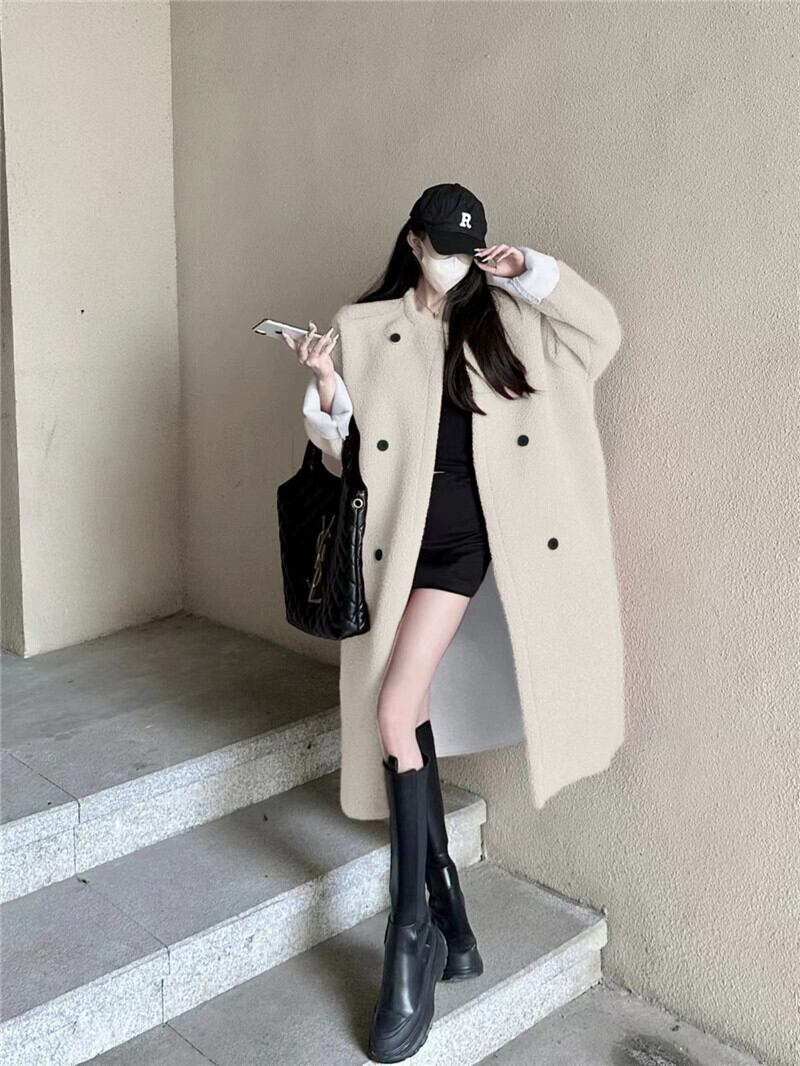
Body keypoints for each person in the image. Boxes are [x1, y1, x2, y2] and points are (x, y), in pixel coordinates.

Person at [283, 183, 592, 1063]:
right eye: (441, 247)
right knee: (405, 709)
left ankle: (409, 928)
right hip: (393, 545)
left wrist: (532, 274)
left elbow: (596, 337)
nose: (454, 263)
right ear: (414, 241)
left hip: (463, 549)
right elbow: (337, 460)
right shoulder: (364, 325)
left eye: (468, 250)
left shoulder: (503, 320)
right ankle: (450, 903)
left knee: (391, 710)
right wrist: (326, 387)